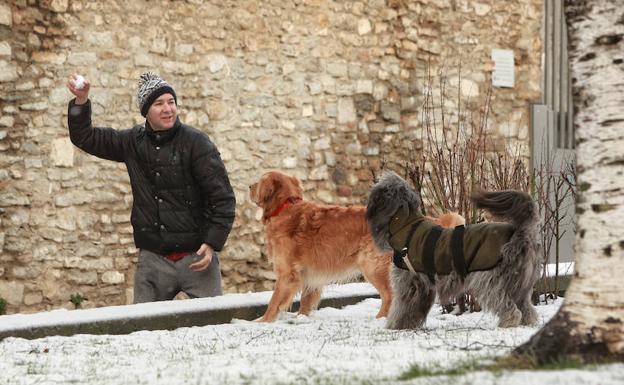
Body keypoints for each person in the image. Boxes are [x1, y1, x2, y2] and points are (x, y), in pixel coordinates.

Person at [66, 72, 236, 303]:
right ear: (146, 110)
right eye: (159, 103)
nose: (168, 109)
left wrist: (212, 242)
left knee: (215, 328)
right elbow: (84, 137)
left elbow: (223, 198)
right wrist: (81, 102)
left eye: (171, 102)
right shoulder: (131, 142)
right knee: (142, 331)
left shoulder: (197, 143)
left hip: (197, 257)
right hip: (153, 260)